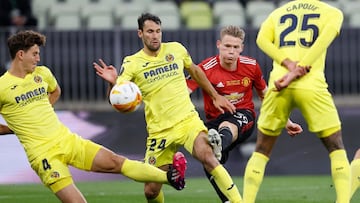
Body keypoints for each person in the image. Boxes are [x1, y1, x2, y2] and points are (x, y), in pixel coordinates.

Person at [0, 30, 188, 203]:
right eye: (34, 53)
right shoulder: (3, 87)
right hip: (44, 155)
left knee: (116, 162)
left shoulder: (43, 73)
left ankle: (170, 177)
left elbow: (55, 91)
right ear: (20, 55)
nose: (38, 58)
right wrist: (13, 128)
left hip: (67, 140)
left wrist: (39, 113)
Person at [93, 13, 244, 203]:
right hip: (160, 132)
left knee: (208, 156)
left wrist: (215, 96)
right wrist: (112, 83)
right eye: (150, 32)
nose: (155, 36)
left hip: (187, 121)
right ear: (140, 34)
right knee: (151, 191)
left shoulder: (176, 49)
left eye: (158, 31)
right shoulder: (132, 63)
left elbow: (195, 71)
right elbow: (116, 99)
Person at [242, 1, 351, 203]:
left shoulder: (278, 12)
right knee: (336, 147)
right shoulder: (332, 12)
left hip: (278, 84)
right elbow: (321, 43)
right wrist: (298, 69)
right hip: (311, 85)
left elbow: (261, 40)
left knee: (261, 150)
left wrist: (288, 65)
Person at [187, 25, 303, 203]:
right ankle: (227, 199)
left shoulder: (251, 66)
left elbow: (266, 96)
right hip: (213, 121)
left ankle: (218, 142)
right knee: (208, 159)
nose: (231, 51)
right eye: (227, 46)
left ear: (241, 48)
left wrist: (286, 121)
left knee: (227, 127)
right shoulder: (205, 68)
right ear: (219, 45)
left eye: (235, 47)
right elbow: (183, 92)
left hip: (244, 116)